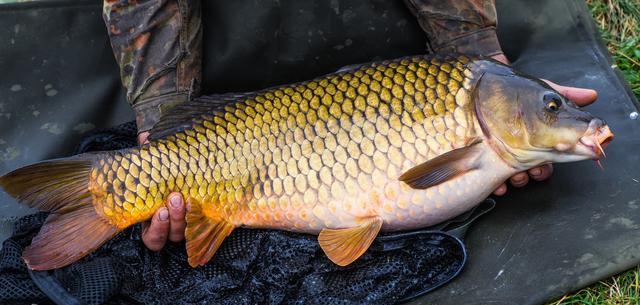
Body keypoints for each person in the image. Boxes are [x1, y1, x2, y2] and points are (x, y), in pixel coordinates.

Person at [102, 0, 598, 251]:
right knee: (153, 185)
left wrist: (474, 52)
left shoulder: (479, 108)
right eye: (551, 108)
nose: (558, 115)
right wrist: (165, 117)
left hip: (391, 43)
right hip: (225, 54)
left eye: (551, 109)